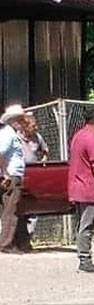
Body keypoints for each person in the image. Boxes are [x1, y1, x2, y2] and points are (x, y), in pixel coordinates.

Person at [68, 106, 94, 272]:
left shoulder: (78, 136)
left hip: (78, 185)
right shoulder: (92, 139)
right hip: (89, 188)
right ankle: (84, 259)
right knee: (87, 224)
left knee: (83, 223)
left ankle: (84, 257)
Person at [16, 112, 49, 250]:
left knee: (33, 208)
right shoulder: (15, 138)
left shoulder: (37, 137)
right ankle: (18, 240)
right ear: (24, 126)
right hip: (20, 173)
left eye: (35, 126)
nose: (35, 128)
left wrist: (44, 160)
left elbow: (45, 150)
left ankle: (28, 239)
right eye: (32, 126)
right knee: (19, 208)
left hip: (34, 175)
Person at [0, 105, 29, 254]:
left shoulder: (9, 134)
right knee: (10, 210)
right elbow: (0, 153)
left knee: (10, 209)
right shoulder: (8, 135)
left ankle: (11, 242)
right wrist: (5, 174)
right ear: (14, 121)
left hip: (11, 175)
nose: (23, 122)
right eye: (20, 119)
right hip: (11, 176)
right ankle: (6, 244)